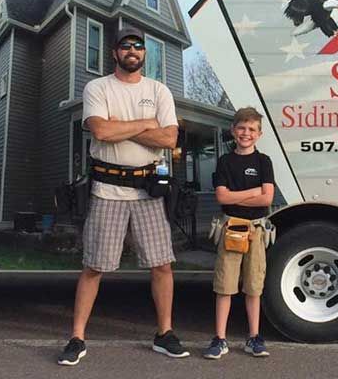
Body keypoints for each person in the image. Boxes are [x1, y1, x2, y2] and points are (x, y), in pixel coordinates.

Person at [58, 27, 188, 365]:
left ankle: (165, 333)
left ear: (145, 54)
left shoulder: (159, 90)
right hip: (107, 191)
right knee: (93, 266)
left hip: (148, 192)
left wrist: (126, 127)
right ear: (114, 52)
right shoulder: (97, 87)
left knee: (162, 265)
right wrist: (147, 124)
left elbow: (170, 139)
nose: (132, 50)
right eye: (125, 45)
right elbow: (101, 130)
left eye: (139, 46)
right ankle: (77, 338)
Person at [204, 107, 275, 360]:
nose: (246, 133)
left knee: (254, 285)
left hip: (256, 229)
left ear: (259, 134)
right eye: (242, 128)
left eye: (252, 129)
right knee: (225, 285)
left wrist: (239, 197)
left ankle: (254, 337)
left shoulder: (263, 161)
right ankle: (219, 339)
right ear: (233, 130)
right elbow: (222, 197)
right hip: (231, 227)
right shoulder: (225, 162)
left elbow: (267, 199)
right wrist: (252, 193)